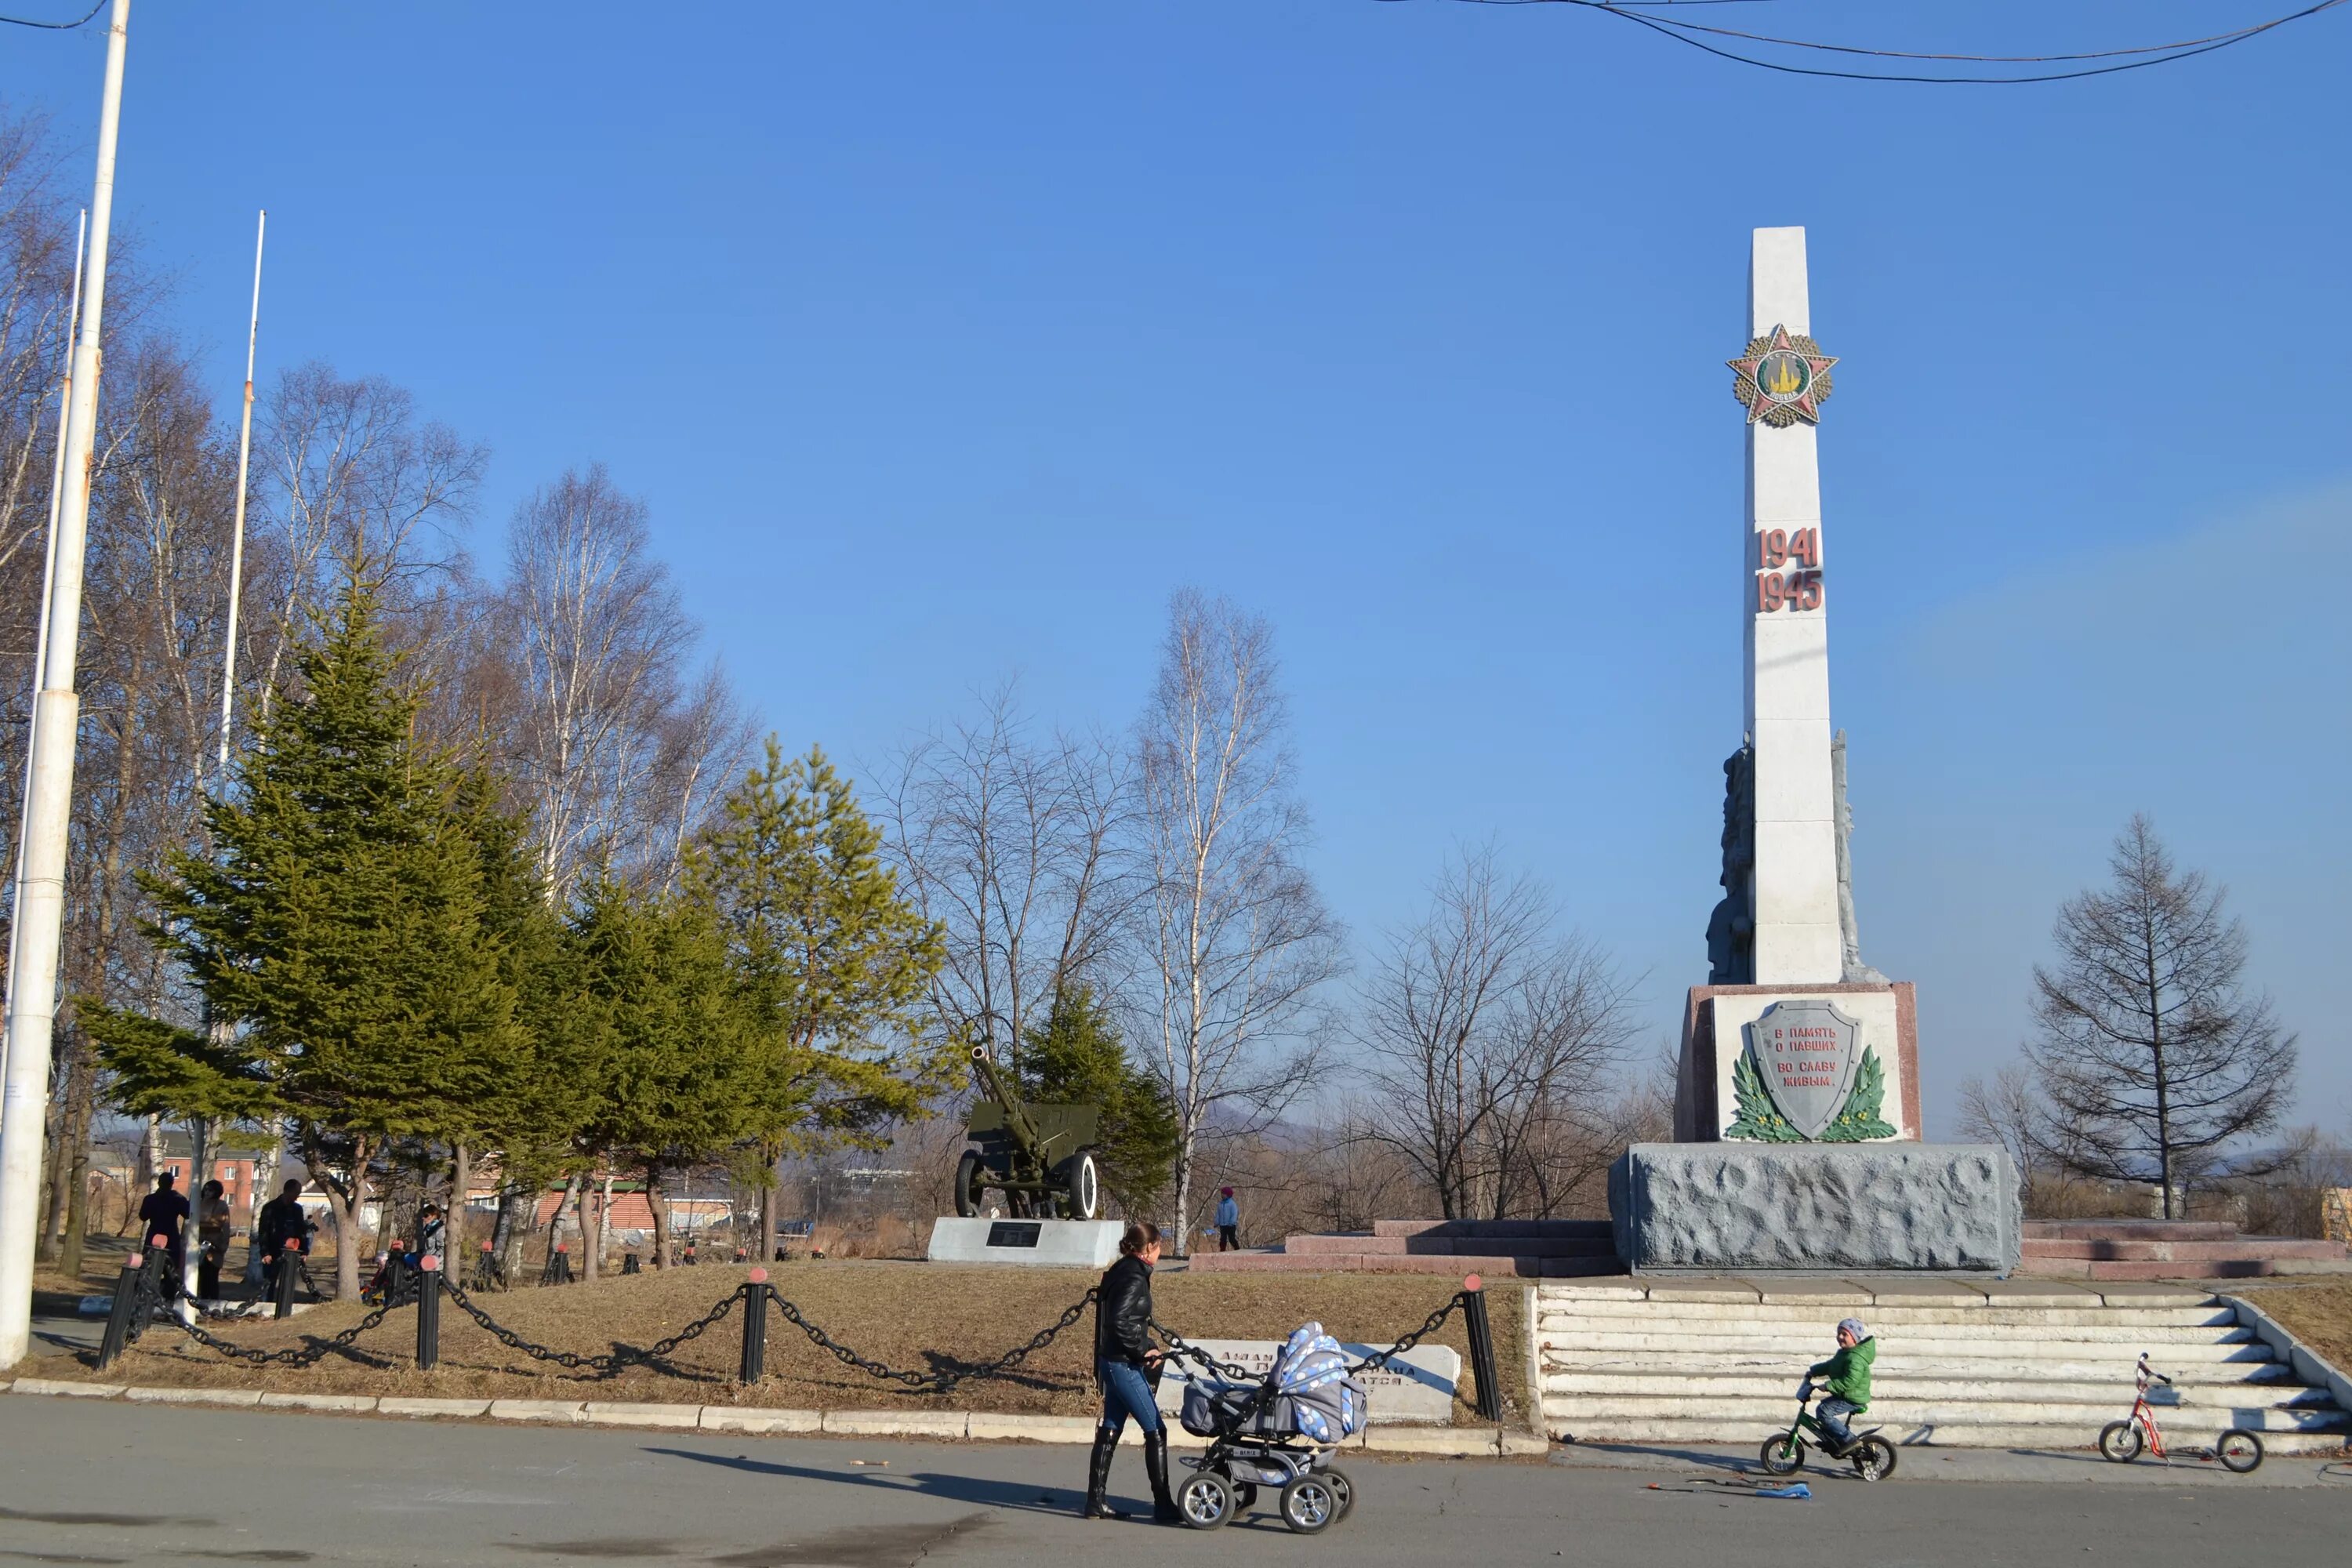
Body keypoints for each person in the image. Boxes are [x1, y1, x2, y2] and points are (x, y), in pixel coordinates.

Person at [1083, 1221, 1179, 1523]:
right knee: (1156, 1430)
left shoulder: (1123, 1269)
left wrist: (1147, 1343)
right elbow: (1119, 1320)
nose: (1161, 1253)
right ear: (1148, 1248)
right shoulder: (1134, 1276)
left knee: (1111, 1427)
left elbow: (1128, 1321)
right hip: (1123, 1365)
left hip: (1114, 1359)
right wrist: (1141, 1351)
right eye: (1159, 1247)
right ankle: (1163, 1505)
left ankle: (1095, 1502)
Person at [1804, 1316, 1876, 1456]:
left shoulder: (1855, 1358)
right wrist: (1813, 1371)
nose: (1840, 1337)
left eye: (1845, 1334)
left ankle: (1850, 1440)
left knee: (1824, 1412)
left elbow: (1850, 1381)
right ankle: (1834, 1438)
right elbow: (1831, 1366)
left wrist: (1829, 1386)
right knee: (1822, 1409)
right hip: (1846, 1393)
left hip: (1853, 1397)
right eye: (1839, 1333)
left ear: (1854, 1338)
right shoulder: (1844, 1354)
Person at [257, 1178, 310, 1295]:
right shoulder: (270, 1208)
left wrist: (305, 1251)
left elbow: (301, 1230)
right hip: (273, 1251)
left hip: (292, 1252)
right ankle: (266, 1305)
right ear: (287, 1191)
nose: (296, 1198)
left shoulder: (297, 1209)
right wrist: (265, 1252)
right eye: (295, 1194)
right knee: (269, 1284)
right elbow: (263, 1231)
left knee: (287, 1284)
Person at [136, 1172, 191, 1278]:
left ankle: (144, 1289)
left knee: (148, 1265)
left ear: (159, 1183)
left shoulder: (150, 1199)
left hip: (154, 1234)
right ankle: (168, 1292)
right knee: (171, 1268)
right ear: (172, 1184)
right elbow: (188, 1214)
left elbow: (143, 1216)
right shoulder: (177, 1199)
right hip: (171, 1235)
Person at [195, 1179, 233, 1300]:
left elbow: (226, 1227)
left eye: (211, 1190)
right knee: (200, 1275)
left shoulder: (221, 1205)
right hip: (197, 1242)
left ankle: (213, 1301)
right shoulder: (197, 1203)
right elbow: (189, 1223)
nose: (207, 1192)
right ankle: (201, 1299)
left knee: (212, 1275)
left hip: (215, 1244)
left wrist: (223, 1245)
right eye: (206, 1189)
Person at [1214, 1188, 1240, 1252]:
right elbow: (1218, 1214)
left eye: (1224, 1194)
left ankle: (1237, 1249)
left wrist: (1232, 1222)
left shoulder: (1232, 1204)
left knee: (1231, 1238)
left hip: (1230, 1225)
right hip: (1223, 1225)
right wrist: (1217, 1222)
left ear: (1228, 1195)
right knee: (1223, 1239)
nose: (1222, 1195)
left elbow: (1234, 1213)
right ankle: (1222, 1250)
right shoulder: (1220, 1204)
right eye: (1222, 1194)